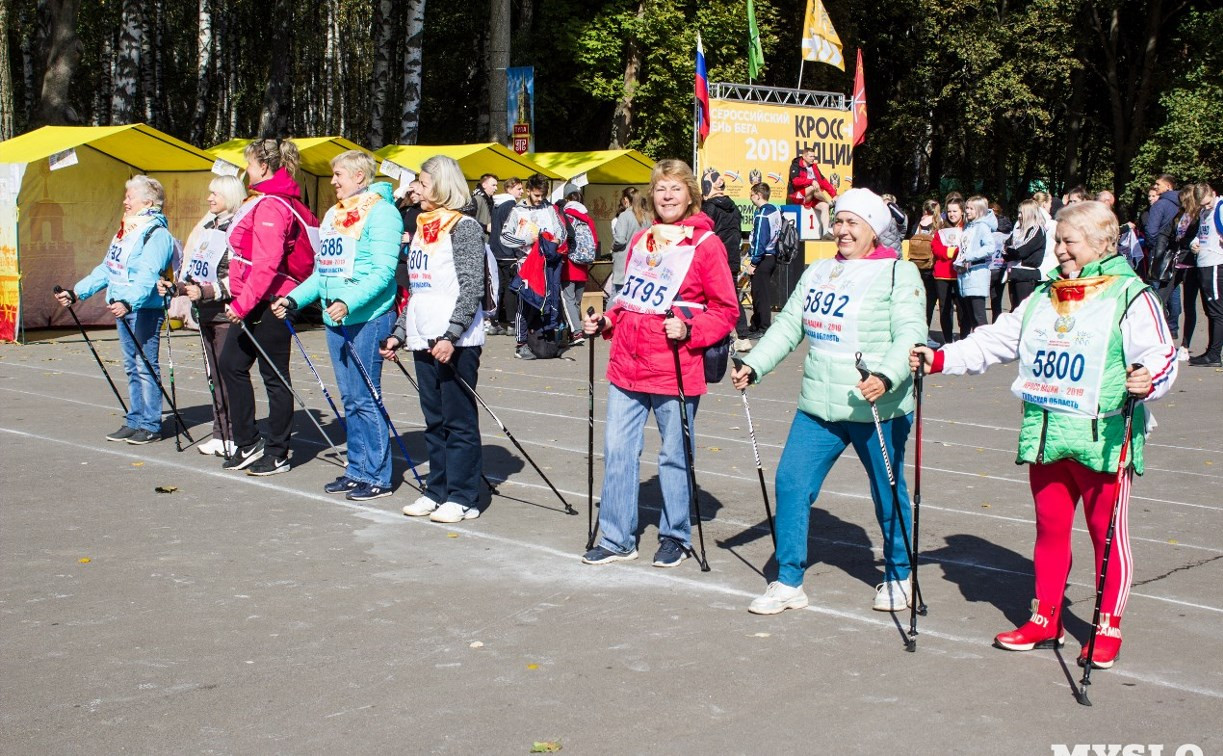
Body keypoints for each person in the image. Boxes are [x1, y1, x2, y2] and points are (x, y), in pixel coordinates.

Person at [910, 200, 1177, 669]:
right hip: (1047, 433)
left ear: (1101, 244)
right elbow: (997, 339)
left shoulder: (1131, 295)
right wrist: (940, 358)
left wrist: (1148, 377)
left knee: (1107, 535)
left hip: (1104, 437)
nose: (1060, 250)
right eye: (1058, 240)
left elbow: (1161, 353)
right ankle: (1045, 617)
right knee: (1050, 531)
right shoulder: (1044, 295)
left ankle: (1107, 625)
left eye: (1069, 241)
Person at [732, 188, 926, 615]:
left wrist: (887, 376)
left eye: (853, 222)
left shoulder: (898, 273)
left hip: (876, 404)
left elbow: (911, 332)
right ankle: (787, 582)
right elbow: (787, 326)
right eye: (838, 221)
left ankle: (898, 574)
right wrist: (755, 363)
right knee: (791, 483)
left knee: (887, 491)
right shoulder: (818, 270)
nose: (841, 230)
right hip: (819, 405)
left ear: (874, 230)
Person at [579, 159, 738, 568]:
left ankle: (675, 535)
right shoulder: (642, 240)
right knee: (617, 450)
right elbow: (629, 296)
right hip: (627, 363)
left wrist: (690, 329)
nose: (667, 197)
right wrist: (608, 319)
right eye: (661, 189)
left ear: (690, 194)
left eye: (676, 189)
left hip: (675, 363)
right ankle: (616, 537)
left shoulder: (706, 245)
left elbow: (725, 310)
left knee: (674, 455)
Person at [271, 150, 402, 501]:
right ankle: (357, 468)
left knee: (365, 397)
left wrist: (350, 301)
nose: (333, 181)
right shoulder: (334, 213)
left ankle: (378, 475)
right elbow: (323, 271)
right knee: (349, 398)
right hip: (335, 318)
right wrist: (294, 299)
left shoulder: (383, 213)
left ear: (359, 177)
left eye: (338, 174)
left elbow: (384, 272)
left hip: (369, 317)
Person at [382, 155, 487, 523]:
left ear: (442, 186)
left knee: (458, 420)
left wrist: (451, 334)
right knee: (434, 419)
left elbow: (473, 285)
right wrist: (398, 333)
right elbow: (417, 290)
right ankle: (437, 489)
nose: (415, 188)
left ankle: (463, 496)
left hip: (454, 340)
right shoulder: (422, 224)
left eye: (422, 183)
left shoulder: (465, 227)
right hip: (422, 335)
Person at [219, 138, 319, 475]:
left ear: (263, 166)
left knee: (274, 377)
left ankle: (278, 452)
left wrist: (242, 304)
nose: (245, 171)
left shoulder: (273, 206)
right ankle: (247, 441)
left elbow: (266, 263)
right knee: (231, 363)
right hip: (252, 300)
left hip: (270, 301)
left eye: (249, 164)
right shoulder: (262, 200)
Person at [54, 175, 177, 445]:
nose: (124, 201)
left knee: (145, 366)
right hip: (123, 306)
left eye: (129, 197)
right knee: (132, 366)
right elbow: (108, 268)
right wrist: (77, 292)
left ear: (147, 201)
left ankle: (151, 424)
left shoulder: (157, 234)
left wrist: (130, 301)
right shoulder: (126, 230)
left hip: (143, 308)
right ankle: (135, 419)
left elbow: (147, 276)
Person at [158, 174, 247, 456]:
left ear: (230, 197)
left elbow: (241, 278)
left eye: (215, 194)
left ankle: (236, 434)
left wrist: (207, 292)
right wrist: (178, 287)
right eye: (210, 193)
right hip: (205, 313)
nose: (209, 198)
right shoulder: (209, 226)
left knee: (227, 374)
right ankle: (221, 432)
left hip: (226, 314)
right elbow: (198, 272)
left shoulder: (238, 228)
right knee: (213, 376)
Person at [501, 173, 568, 360]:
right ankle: (520, 344)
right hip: (527, 264)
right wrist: (526, 240)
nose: (540, 199)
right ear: (528, 191)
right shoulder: (517, 211)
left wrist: (556, 240)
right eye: (536, 195)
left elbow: (561, 232)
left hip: (547, 264)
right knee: (526, 303)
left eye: (542, 195)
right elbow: (504, 236)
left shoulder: (550, 209)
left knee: (548, 302)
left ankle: (544, 340)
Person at [701, 173, 750, 342]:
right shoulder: (734, 207)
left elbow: (703, 231)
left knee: (710, 295)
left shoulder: (709, 207)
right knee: (732, 294)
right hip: (733, 256)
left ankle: (716, 332)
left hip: (715, 257)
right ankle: (742, 334)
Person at [1190, 180, 1223, 366]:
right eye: (1202, 204)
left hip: (1216, 263)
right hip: (1204, 263)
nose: (1206, 206)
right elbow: (1202, 234)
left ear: (1213, 193)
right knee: (1210, 311)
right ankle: (1211, 351)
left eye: (1207, 202)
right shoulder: (1204, 212)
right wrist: (1193, 243)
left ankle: (1215, 355)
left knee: (1217, 311)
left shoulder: (1220, 207)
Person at [954, 195, 997, 334]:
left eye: (971, 208)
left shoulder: (982, 227)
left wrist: (969, 257)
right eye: (966, 208)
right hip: (965, 275)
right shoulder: (968, 227)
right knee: (970, 317)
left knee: (979, 318)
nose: (967, 211)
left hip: (977, 275)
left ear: (979, 210)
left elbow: (990, 247)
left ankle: (986, 348)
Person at [558, 186, 595, 342]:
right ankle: (574, 328)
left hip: (568, 265)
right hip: (583, 266)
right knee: (576, 301)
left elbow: (562, 240)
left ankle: (576, 332)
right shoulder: (588, 218)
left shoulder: (564, 216)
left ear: (567, 199)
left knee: (568, 300)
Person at [487, 177, 524, 334]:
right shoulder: (511, 206)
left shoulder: (496, 205)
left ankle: (494, 321)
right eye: (519, 189)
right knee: (510, 288)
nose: (522, 192)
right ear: (509, 189)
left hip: (495, 250)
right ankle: (510, 322)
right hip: (508, 251)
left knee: (498, 287)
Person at [1170, 183, 1203, 359]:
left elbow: (1193, 238)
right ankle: (1165, 341)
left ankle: (1185, 345)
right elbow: (1172, 235)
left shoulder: (1198, 217)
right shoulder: (1180, 215)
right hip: (1176, 262)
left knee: (1189, 305)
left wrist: (1185, 242)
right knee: (1162, 297)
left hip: (1191, 263)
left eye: (1183, 199)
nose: (1180, 202)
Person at [745, 182, 781, 337]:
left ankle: (763, 327)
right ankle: (756, 324)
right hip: (772, 255)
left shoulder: (762, 214)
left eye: (751, 194)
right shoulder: (775, 210)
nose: (750, 198)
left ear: (758, 195)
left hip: (763, 258)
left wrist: (753, 262)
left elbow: (760, 239)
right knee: (759, 293)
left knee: (761, 295)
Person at [1002, 199, 1046, 309]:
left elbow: (1022, 251)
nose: (1019, 216)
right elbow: (1005, 247)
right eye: (1018, 212)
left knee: (1023, 310)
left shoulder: (1037, 229)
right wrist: (1009, 252)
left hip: (1027, 275)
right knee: (1015, 309)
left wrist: (1011, 252)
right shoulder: (1017, 230)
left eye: (1022, 213)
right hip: (1014, 273)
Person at [931, 198, 964, 343]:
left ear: (962, 212)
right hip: (942, 274)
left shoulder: (967, 229)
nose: (952, 214)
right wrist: (950, 252)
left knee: (963, 309)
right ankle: (948, 340)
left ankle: (964, 339)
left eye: (955, 211)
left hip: (960, 274)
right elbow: (936, 248)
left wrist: (952, 252)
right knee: (945, 309)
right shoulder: (941, 230)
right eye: (949, 211)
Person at [787, 146, 837, 236]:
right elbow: (795, 182)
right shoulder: (795, 165)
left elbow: (823, 181)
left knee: (824, 206)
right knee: (813, 187)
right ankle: (828, 202)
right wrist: (811, 181)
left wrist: (834, 194)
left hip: (810, 197)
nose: (813, 159)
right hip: (797, 196)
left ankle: (825, 233)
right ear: (804, 156)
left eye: (814, 156)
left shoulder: (814, 167)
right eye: (811, 156)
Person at [908, 199, 939, 335]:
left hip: (915, 266)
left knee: (916, 302)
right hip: (931, 267)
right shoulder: (938, 224)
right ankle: (926, 333)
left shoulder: (918, 225)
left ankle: (915, 331)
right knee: (930, 302)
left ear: (924, 210)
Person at [611, 186, 649, 296]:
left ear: (626, 200)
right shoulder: (647, 217)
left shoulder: (624, 216)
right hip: (642, 263)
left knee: (617, 296)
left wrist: (613, 247)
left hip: (624, 263)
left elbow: (620, 240)